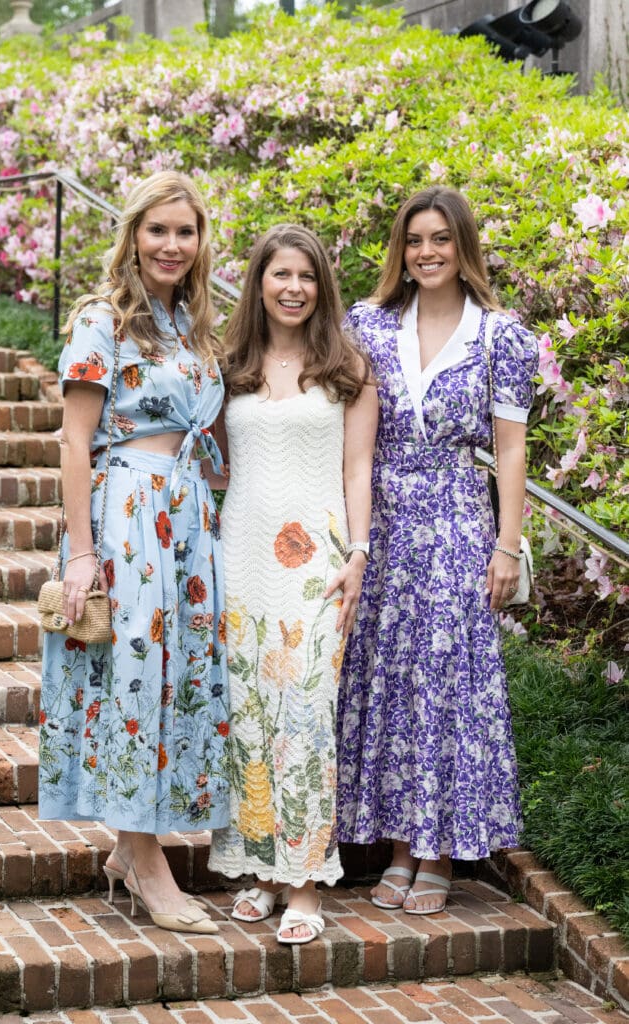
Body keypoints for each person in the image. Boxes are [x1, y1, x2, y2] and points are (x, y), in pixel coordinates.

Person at [337, 186, 539, 915]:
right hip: (380, 525)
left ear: (463, 248)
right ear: (401, 248)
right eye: (414, 239)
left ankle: (438, 856)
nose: (426, 251)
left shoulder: (500, 336)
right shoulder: (367, 324)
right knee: (388, 679)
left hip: (455, 522)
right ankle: (396, 847)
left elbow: (510, 452)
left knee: (444, 685)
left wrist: (506, 546)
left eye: (440, 240)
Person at [39, 171, 229, 935]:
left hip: (186, 518)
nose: (172, 245)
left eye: (185, 232)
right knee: (132, 681)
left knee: (168, 680)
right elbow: (75, 444)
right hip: (126, 514)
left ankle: (131, 849)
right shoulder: (101, 320)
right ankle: (148, 865)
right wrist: (82, 556)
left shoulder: (193, 325)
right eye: (159, 230)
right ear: (133, 234)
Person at [208, 224, 378, 944]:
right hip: (238, 560)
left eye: (305, 276)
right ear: (258, 283)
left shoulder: (348, 369)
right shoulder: (229, 367)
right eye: (279, 275)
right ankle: (256, 870)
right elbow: (213, 465)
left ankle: (304, 881)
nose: (292, 288)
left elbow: (357, 470)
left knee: (305, 714)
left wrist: (359, 553)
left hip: (316, 565)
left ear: (321, 287)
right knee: (246, 712)